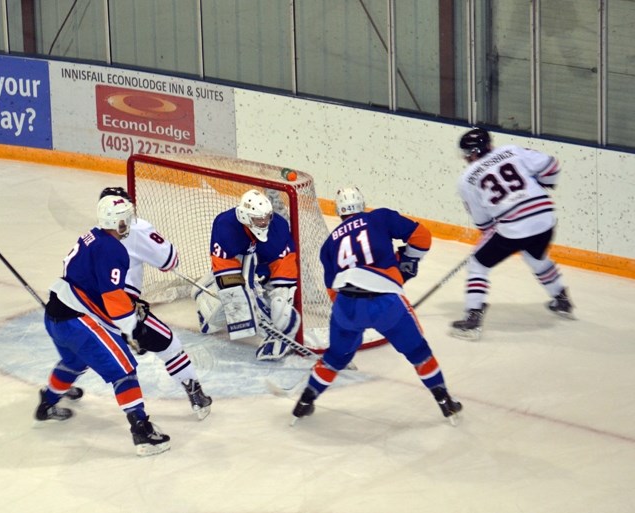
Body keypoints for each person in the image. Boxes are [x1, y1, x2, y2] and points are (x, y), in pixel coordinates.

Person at [292, 186, 462, 424]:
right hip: (385, 303)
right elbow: (422, 237)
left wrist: (354, 316)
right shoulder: (378, 217)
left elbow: (333, 291)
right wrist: (408, 262)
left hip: (347, 307)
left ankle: (305, 402)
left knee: (335, 357)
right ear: (363, 204)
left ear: (339, 211)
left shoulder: (329, 244)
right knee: (418, 352)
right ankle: (445, 402)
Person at [35, 194, 171, 457]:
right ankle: (142, 432)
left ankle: (47, 402)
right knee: (124, 372)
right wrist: (133, 327)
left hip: (55, 317)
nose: (130, 222)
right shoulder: (113, 249)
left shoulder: (92, 236)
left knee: (74, 362)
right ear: (118, 223)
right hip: (78, 323)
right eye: (126, 219)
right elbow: (113, 298)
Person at [98, 186, 212, 420]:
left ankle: (55, 393)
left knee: (87, 346)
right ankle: (196, 396)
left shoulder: (92, 234)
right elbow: (170, 260)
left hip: (89, 306)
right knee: (170, 345)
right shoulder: (137, 228)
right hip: (121, 307)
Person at [451, 127, 574, 340]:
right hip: (545, 219)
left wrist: (493, 228)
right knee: (535, 255)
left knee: (478, 264)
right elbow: (551, 166)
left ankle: (472, 318)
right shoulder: (512, 151)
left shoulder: (466, 180)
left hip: (514, 226)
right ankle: (561, 298)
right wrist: (544, 183)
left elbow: (484, 223)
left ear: (471, 154)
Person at [194, 189, 301, 361]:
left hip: (262, 271)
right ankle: (206, 292)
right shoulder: (225, 226)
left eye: (267, 217)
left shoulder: (278, 227)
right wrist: (246, 299)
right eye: (259, 219)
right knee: (228, 309)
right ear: (245, 216)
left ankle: (265, 311)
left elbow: (285, 266)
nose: (265, 222)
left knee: (275, 308)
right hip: (239, 268)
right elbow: (226, 272)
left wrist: (281, 297)